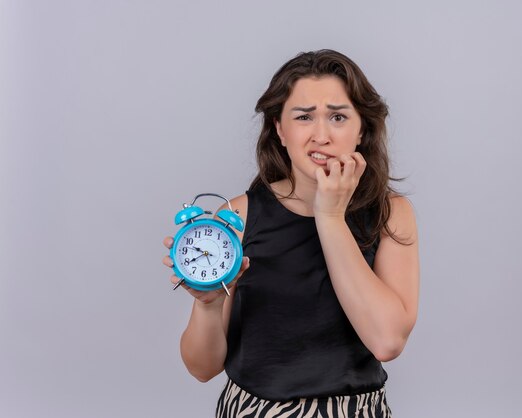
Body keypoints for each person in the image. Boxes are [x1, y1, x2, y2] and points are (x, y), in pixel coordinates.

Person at [162, 49, 420, 418]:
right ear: (280, 129)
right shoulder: (237, 216)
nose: (321, 135)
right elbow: (202, 368)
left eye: (338, 116)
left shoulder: (391, 213)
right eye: (303, 117)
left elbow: (387, 341)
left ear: (361, 128)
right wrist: (208, 303)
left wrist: (329, 216)